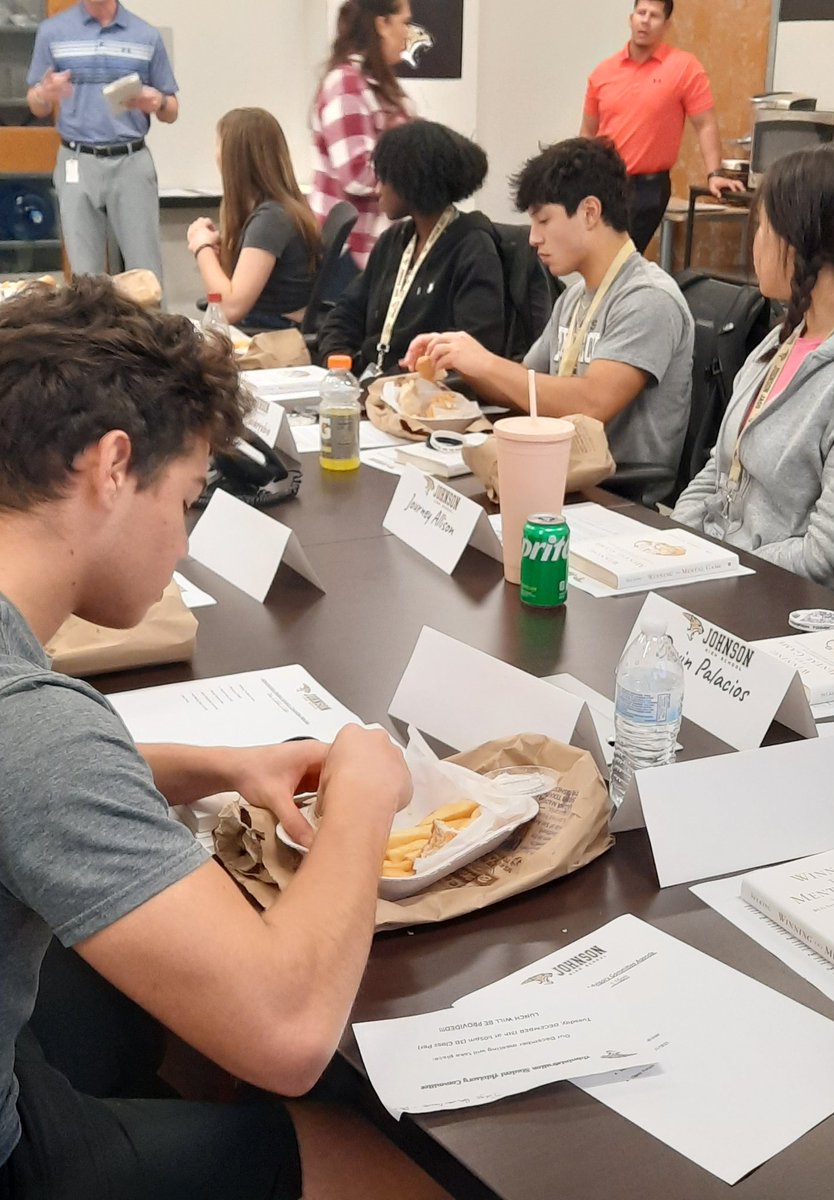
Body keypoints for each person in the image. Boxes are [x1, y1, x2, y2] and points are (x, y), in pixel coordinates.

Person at [0, 276, 450, 1200]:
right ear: (110, 466)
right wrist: (363, 792)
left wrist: (220, 763)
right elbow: (286, 1030)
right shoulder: (33, 726)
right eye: (187, 497)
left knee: (168, 1043)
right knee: (383, 1163)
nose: (182, 538)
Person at [405, 137, 694, 506]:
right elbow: (524, 386)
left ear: (590, 212)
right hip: (556, 478)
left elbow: (591, 404)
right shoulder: (575, 297)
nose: (533, 237)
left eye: (543, 219)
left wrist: (488, 363)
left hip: (613, 495)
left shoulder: (647, 298)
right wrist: (457, 354)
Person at [673, 143, 834, 604]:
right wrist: (675, 545)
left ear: (797, 241)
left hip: (811, 611)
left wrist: (714, 567)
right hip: (735, 581)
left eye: (761, 226)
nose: (754, 241)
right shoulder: (787, 335)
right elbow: (718, 469)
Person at [318, 119, 506, 380]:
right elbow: (346, 313)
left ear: (411, 181)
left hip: (420, 399)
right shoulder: (392, 242)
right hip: (366, 389)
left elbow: (470, 351)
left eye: (384, 178)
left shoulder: (473, 248)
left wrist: (384, 384)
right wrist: (339, 363)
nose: (376, 189)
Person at [25, 0, 178, 285]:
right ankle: (90, 330)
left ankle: (152, 331)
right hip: (76, 159)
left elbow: (172, 111)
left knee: (146, 273)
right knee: (85, 278)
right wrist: (45, 93)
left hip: (131, 159)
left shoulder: (145, 35)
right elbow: (37, 106)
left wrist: (158, 101)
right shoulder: (52, 31)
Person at [579, 0, 743, 253]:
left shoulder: (684, 68)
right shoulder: (603, 72)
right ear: (630, 18)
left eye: (654, 16)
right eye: (641, 13)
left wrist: (715, 174)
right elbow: (588, 133)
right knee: (597, 259)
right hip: (604, 180)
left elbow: (705, 124)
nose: (645, 20)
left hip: (648, 187)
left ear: (666, 25)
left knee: (621, 258)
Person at [186, 108, 322, 330]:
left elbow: (229, 309)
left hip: (271, 334)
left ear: (233, 157)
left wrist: (202, 247)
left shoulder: (270, 220)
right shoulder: (275, 212)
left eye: (218, 145)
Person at [311, 0, 414, 269]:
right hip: (346, 256)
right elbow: (356, 171)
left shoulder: (378, 86)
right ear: (382, 24)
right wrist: (416, 176)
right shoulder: (346, 83)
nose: (409, 32)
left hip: (374, 251)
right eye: (404, 22)